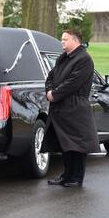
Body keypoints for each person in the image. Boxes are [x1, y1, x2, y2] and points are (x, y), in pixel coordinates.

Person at [41, 29, 100, 187]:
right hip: (60, 107)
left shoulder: (84, 59)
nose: (62, 42)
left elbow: (74, 82)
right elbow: (50, 77)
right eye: (62, 39)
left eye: (65, 39)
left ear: (75, 40)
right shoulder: (63, 58)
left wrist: (55, 94)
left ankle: (76, 177)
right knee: (65, 143)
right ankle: (67, 175)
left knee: (77, 145)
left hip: (75, 108)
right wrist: (49, 91)